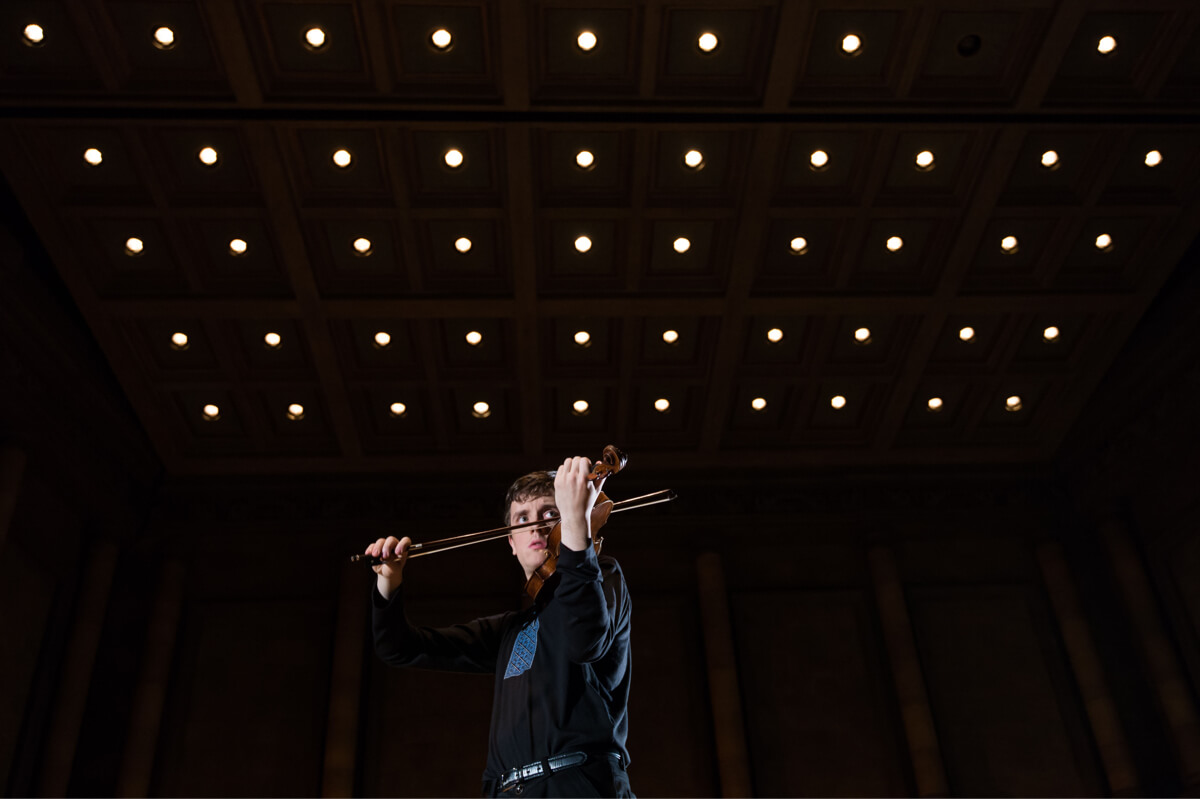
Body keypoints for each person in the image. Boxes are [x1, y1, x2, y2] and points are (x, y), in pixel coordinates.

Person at [365, 456, 634, 797]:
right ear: (511, 541)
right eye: (522, 519)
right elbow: (400, 648)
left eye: (550, 514)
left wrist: (577, 528)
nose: (535, 528)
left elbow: (584, 641)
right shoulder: (512, 629)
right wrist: (388, 583)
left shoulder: (604, 576)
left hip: (578, 785)